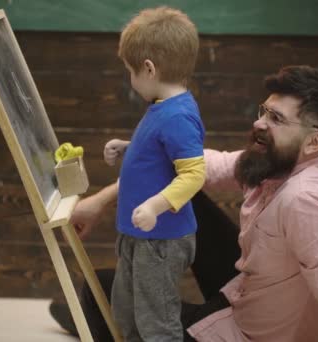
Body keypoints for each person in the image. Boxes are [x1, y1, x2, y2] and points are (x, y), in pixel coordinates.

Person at [50, 65, 318, 341]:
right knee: (183, 186)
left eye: (276, 118)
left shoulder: (308, 202)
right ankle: (104, 317)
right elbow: (199, 166)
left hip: (252, 334)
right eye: (264, 111)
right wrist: (102, 200)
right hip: (247, 292)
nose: (260, 123)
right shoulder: (277, 164)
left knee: (100, 292)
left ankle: (96, 320)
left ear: (315, 141)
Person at [95, 6, 205, 342]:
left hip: (160, 238)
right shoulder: (163, 107)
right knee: (126, 310)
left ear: (149, 68)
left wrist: (155, 206)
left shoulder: (177, 116)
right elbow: (161, 152)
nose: (131, 79)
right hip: (139, 233)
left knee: (156, 320)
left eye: (130, 71)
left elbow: (194, 174)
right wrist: (129, 147)